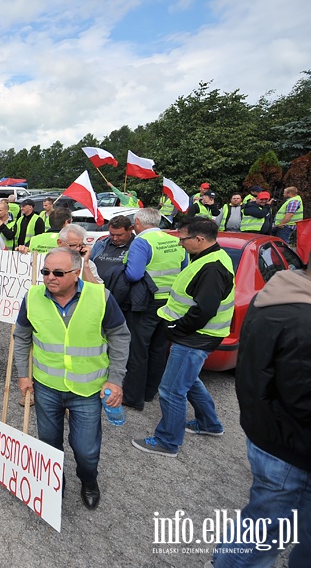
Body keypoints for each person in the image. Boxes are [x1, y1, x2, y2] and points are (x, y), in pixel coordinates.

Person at [15, 247, 130, 509]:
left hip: (88, 390)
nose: (50, 277)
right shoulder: (32, 297)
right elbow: (21, 337)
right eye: (45, 272)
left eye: (58, 272)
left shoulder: (100, 297)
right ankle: (55, 484)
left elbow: (120, 337)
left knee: (86, 450)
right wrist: (23, 375)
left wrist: (115, 379)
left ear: (77, 273)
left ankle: (89, 480)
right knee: (49, 443)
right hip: (46, 387)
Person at [212, 263, 311, 566]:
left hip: (270, 433)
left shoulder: (274, 293)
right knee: (263, 534)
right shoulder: (303, 320)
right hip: (292, 447)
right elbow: (303, 398)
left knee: (261, 526)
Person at [133, 218, 233, 458]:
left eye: (183, 239)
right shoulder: (212, 257)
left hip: (195, 337)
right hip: (199, 335)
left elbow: (204, 309)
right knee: (189, 380)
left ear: (199, 239)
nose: (180, 243)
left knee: (171, 390)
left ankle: (167, 441)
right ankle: (210, 424)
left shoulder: (211, 268)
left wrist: (177, 328)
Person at [120, 208, 188, 410]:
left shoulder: (142, 241)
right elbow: (185, 269)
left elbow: (133, 275)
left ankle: (133, 397)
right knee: (159, 348)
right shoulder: (174, 240)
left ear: (138, 222)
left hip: (147, 302)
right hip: (170, 302)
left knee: (138, 349)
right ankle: (150, 392)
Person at [90, 215, 135, 281]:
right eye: (112, 234)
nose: (115, 238)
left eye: (119, 235)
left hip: (121, 289)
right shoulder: (100, 244)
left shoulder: (137, 247)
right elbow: (88, 264)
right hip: (97, 287)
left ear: (130, 230)